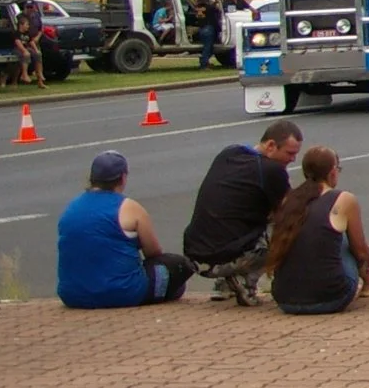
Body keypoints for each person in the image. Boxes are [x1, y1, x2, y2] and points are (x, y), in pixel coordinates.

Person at [181, 119, 303, 304]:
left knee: (233, 222)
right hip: (225, 258)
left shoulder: (229, 153)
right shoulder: (271, 170)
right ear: (271, 145)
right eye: (290, 153)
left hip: (195, 256)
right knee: (290, 226)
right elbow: (291, 210)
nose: (293, 160)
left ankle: (224, 285)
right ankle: (245, 283)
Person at [56, 151, 193, 308]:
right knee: (178, 267)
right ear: (122, 178)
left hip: (72, 295)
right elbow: (153, 252)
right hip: (122, 292)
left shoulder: (71, 208)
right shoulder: (129, 207)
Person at [265, 145, 369, 314]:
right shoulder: (343, 199)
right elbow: (360, 250)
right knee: (343, 238)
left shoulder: (289, 200)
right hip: (332, 297)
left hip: (285, 299)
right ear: (332, 171)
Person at [192, 0, 221, 71]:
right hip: (208, 29)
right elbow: (218, 11)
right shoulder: (209, 7)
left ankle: (205, 61)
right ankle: (204, 65)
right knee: (208, 48)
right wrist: (215, 2)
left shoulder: (197, 7)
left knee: (207, 47)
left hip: (201, 28)